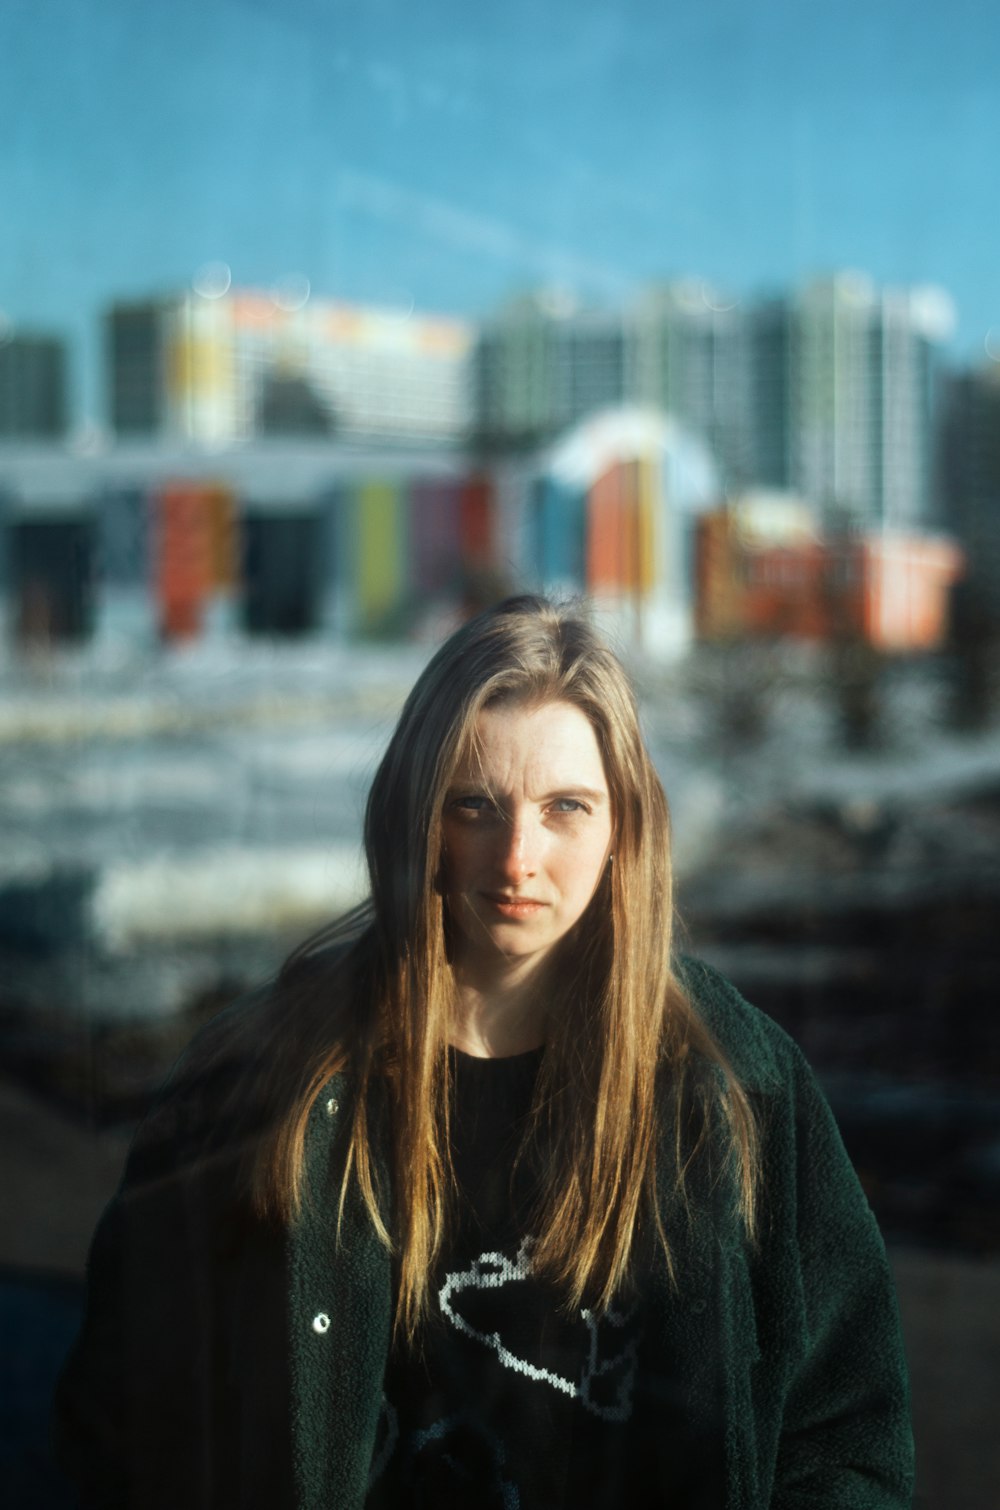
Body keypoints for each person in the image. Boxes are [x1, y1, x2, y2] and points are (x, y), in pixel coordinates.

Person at [55, 595, 914, 1509]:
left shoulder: (740, 1083)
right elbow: (119, 1412)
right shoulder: (267, 1082)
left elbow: (848, 1434)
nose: (517, 858)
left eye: (566, 809)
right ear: (416, 813)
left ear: (625, 825)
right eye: (476, 805)